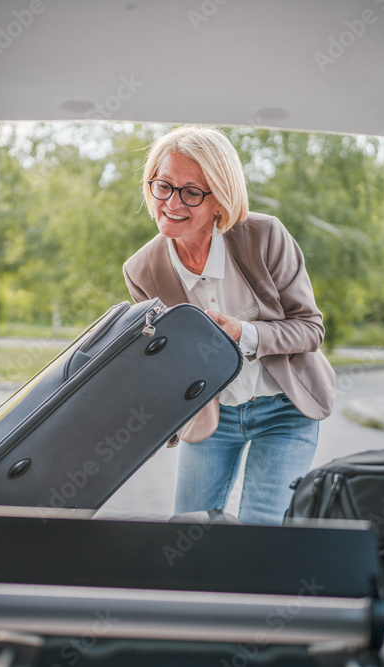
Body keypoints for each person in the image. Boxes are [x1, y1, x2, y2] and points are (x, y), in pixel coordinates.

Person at [123, 125, 335, 525]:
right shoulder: (142, 270)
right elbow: (165, 362)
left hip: (285, 410)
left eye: (191, 192)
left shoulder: (264, 236)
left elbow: (310, 328)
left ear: (220, 200)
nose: (171, 203)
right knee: (187, 531)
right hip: (212, 416)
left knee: (261, 532)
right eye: (162, 186)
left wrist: (243, 333)